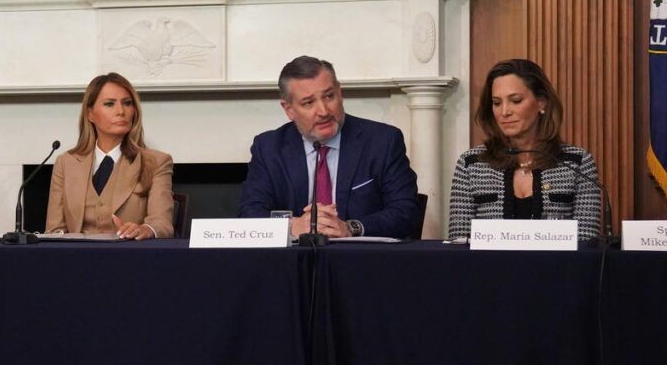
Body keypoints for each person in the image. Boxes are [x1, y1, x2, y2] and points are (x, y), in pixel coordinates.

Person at [239, 55, 420, 238]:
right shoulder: (269, 148)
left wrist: (351, 228)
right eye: (309, 103)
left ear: (340, 93)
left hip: (363, 260)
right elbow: (249, 214)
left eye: (329, 96)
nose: (324, 111)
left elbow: (406, 213)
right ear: (289, 110)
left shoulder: (383, 141)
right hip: (291, 263)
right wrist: (292, 226)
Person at [447, 59, 601, 240]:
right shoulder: (471, 164)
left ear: (541, 103)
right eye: (497, 103)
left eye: (516, 100)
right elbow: (458, 243)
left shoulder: (577, 163)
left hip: (558, 268)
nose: (504, 112)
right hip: (489, 268)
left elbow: (586, 243)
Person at [46, 72, 174, 239]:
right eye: (109, 104)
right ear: (90, 114)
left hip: (130, 258)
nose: (121, 111)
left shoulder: (157, 161)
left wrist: (146, 229)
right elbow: (55, 230)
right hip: (77, 259)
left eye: (127, 103)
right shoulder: (65, 163)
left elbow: (162, 224)